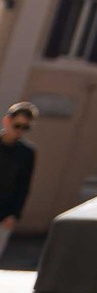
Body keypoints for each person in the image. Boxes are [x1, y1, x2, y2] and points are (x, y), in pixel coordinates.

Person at [0, 101, 35, 260]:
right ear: (7, 121)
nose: (20, 131)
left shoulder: (26, 153)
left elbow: (24, 185)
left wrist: (15, 214)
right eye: (17, 125)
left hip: (4, 214)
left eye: (25, 128)